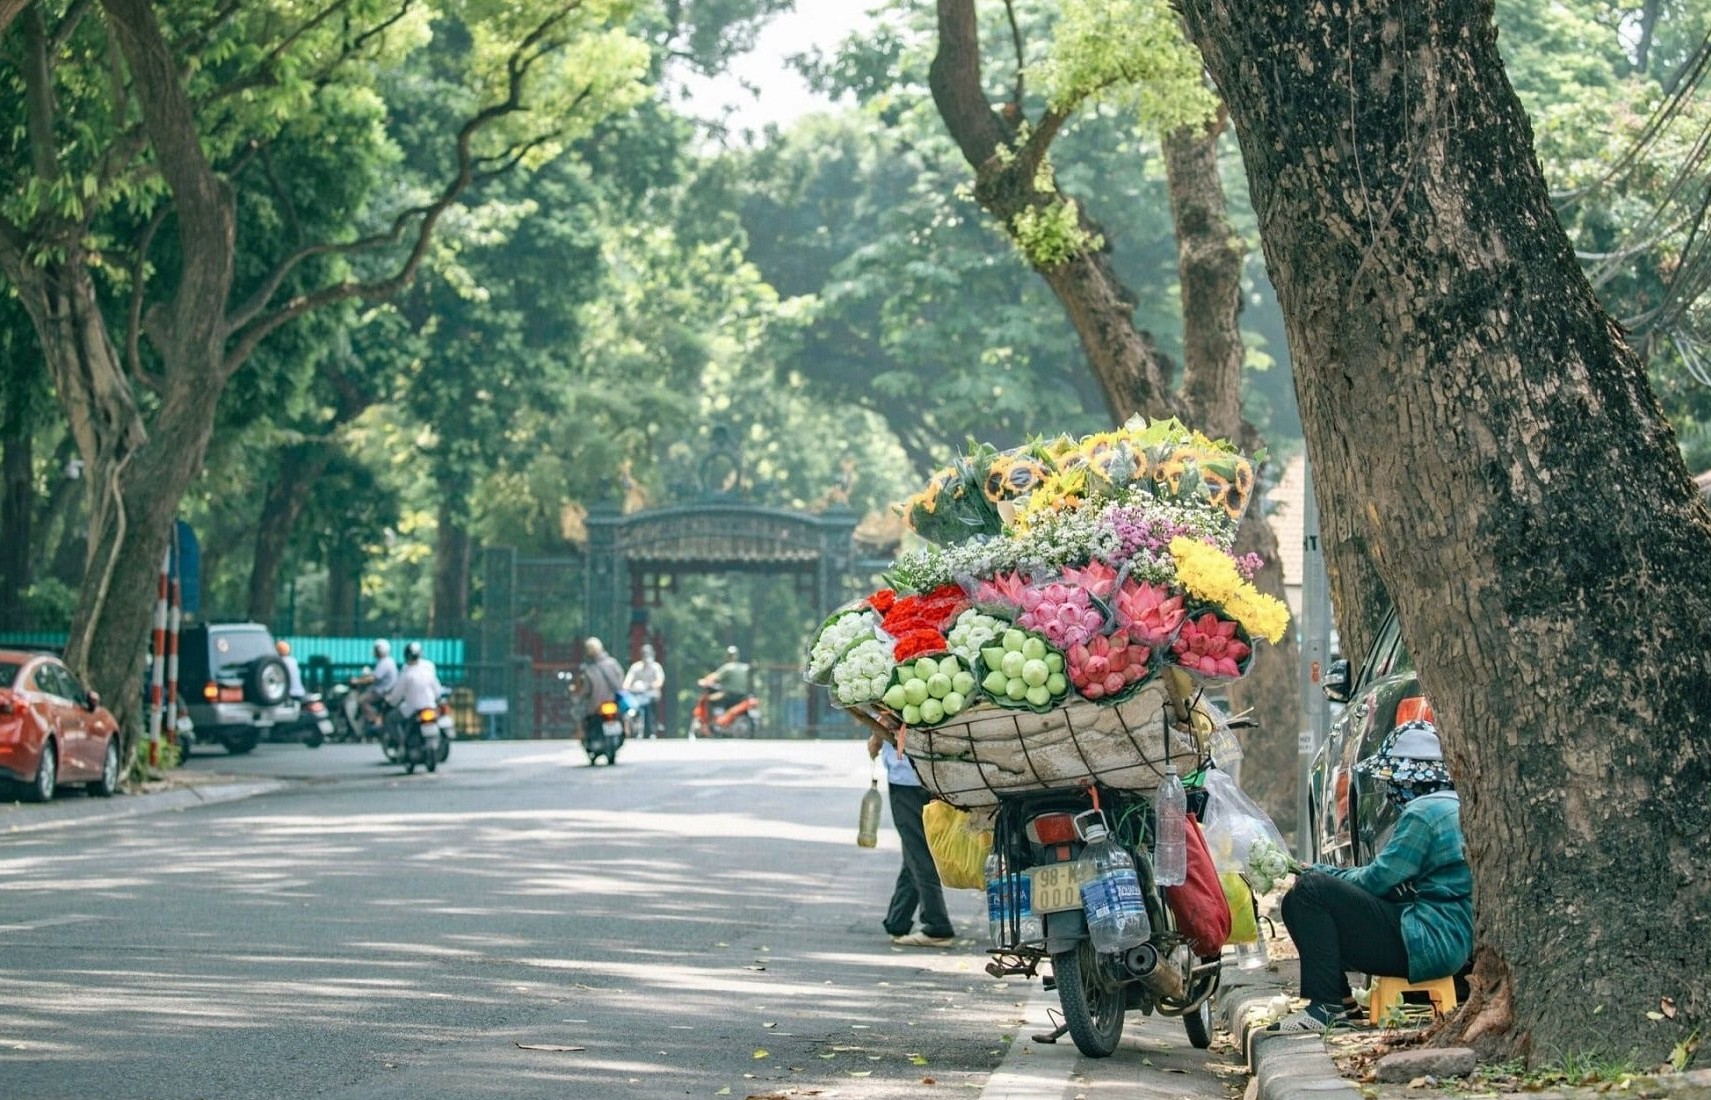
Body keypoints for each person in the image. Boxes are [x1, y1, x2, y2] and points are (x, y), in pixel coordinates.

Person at [1271, 721, 1473, 1032]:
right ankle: (1342, 1002)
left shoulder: (1424, 813)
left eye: (1393, 781)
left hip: (1426, 942)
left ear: (1409, 780)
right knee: (1295, 901)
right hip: (1450, 944)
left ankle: (1325, 1008)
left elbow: (1378, 879)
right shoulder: (1455, 805)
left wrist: (1322, 872)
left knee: (1310, 889)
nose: (1390, 791)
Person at [866, 727, 957, 948]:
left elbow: (889, 716)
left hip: (907, 778)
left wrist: (876, 737)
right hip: (937, 774)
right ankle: (897, 921)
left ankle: (937, 925)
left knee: (918, 851)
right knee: (914, 850)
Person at [578, 637, 626, 741]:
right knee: (623, 716)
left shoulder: (590, 669)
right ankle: (626, 728)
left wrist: (580, 697)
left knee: (583, 716)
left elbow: (586, 689)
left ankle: (584, 736)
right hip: (614, 701)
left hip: (596, 705)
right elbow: (621, 681)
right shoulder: (613, 663)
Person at [385, 641, 443, 717]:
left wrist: (390, 702)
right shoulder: (428, 670)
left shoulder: (406, 673)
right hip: (430, 707)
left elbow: (396, 696)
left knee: (390, 718)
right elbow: (438, 692)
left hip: (412, 710)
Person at [622, 643, 665, 738]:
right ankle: (630, 726)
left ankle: (652, 726)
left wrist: (651, 686)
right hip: (637, 694)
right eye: (644, 654)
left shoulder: (656, 667)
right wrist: (626, 687)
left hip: (651, 694)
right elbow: (627, 681)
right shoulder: (636, 667)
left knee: (650, 705)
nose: (646, 657)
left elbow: (659, 681)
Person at [357, 639, 399, 733]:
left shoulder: (385, 662)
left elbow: (373, 678)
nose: (374, 652)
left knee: (362, 700)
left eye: (376, 649)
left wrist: (357, 681)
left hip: (382, 692)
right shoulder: (387, 661)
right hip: (385, 690)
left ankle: (376, 720)